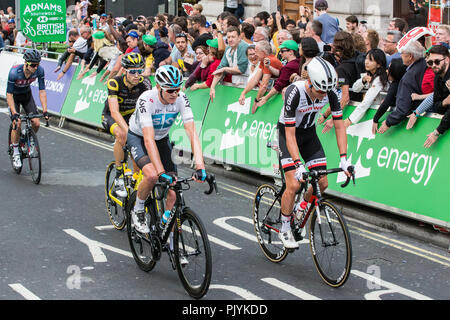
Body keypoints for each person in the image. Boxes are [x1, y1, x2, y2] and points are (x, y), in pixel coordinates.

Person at [276, 56, 352, 248]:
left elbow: (340, 127)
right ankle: (285, 228)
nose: (323, 96)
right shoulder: (295, 92)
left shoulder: (329, 92)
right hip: (288, 135)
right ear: (310, 82)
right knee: (293, 184)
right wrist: (298, 164)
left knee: (323, 182)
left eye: (326, 92)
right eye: (319, 91)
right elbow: (290, 134)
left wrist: (343, 158)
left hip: (309, 134)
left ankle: (302, 207)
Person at [127, 65, 207, 235]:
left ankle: (165, 229)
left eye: (177, 89)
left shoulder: (181, 98)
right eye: (170, 90)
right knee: (152, 175)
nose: (174, 94)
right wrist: (161, 171)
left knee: (173, 192)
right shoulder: (146, 100)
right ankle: (138, 210)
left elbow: (192, 133)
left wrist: (200, 166)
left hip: (162, 139)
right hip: (139, 137)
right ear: (158, 87)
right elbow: (148, 139)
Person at [101, 53, 152, 198]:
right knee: (122, 135)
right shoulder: (114, 83)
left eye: (139, 71)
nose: (137, 75)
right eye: (132, 72)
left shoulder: (146, 83)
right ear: (124, 70)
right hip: (111, 116)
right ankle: (118, 175)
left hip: (132, 117)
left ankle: (135, 184)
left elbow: (149, 107)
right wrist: (130, 132)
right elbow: (114, 111)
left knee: (140, 155)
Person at [7, 49, 49, 169]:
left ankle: (27, 137)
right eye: (33, 65)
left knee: (36, 122)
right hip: (14, 97)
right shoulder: (15, 72)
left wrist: (45, 110)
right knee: (17, 122)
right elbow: (9, 95)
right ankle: (15, 152)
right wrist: (14, 113)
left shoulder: (39, 71)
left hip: (26, 95)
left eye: (37, 64)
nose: (35, 67)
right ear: (26, 63)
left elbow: (42, 91)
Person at [377, 40, 428, 133]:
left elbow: (403, 108)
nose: (400, 56)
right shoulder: (426, 64)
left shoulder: (409, 77)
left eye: (402, 53)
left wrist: (388, 122)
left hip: (421, 120)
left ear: (410, 56)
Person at [406, 45, 450, 148]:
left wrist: (437, 132)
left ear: (447, 60)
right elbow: (437, 107)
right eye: (430, 62)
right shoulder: (437, 78)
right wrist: (445, 102)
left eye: (437, 62)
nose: (433, 65)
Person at [319, 31, 363, 132]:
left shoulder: (342, 69)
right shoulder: (358, 56)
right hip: (360, 104)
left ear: (337, 49)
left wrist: (333, 119)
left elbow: (345, 97)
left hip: (352, 109)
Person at [344, 49, 388, 128]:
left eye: (370, 60)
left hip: (380, 115)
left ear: (378, 64)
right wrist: (363, 80)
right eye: (366, 58)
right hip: (372, 112)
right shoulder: (368, 75)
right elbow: (355, 89)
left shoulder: (379, 79)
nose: (366, 62)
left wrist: (350, 120)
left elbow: (367, 101)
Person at [253, 40, 300, 111]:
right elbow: (281, 73)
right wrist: (269, 67)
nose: (280, 53)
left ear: (291, 52)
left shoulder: (290, 66)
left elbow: (278, 85)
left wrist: (266, 98)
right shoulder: (298, 62)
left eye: (282, 51)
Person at [239, 40, 283, 112]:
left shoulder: (270, 60)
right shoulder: (263, 60)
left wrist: (256, 101)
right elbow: (255, 79)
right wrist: (243, 93)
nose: (255, 54)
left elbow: (264, 86)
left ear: (263, 52)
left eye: (256, 52)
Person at [209, 26, 249, 100]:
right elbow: (220, 69)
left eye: (233, 37)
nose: (230, 40)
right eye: (228, 37)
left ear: (239, 38)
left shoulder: (243, 46)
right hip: (236, 85)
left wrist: (224, 69)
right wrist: (212, 87)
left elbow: (240, 69)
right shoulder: (228, 48)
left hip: (247, 87)